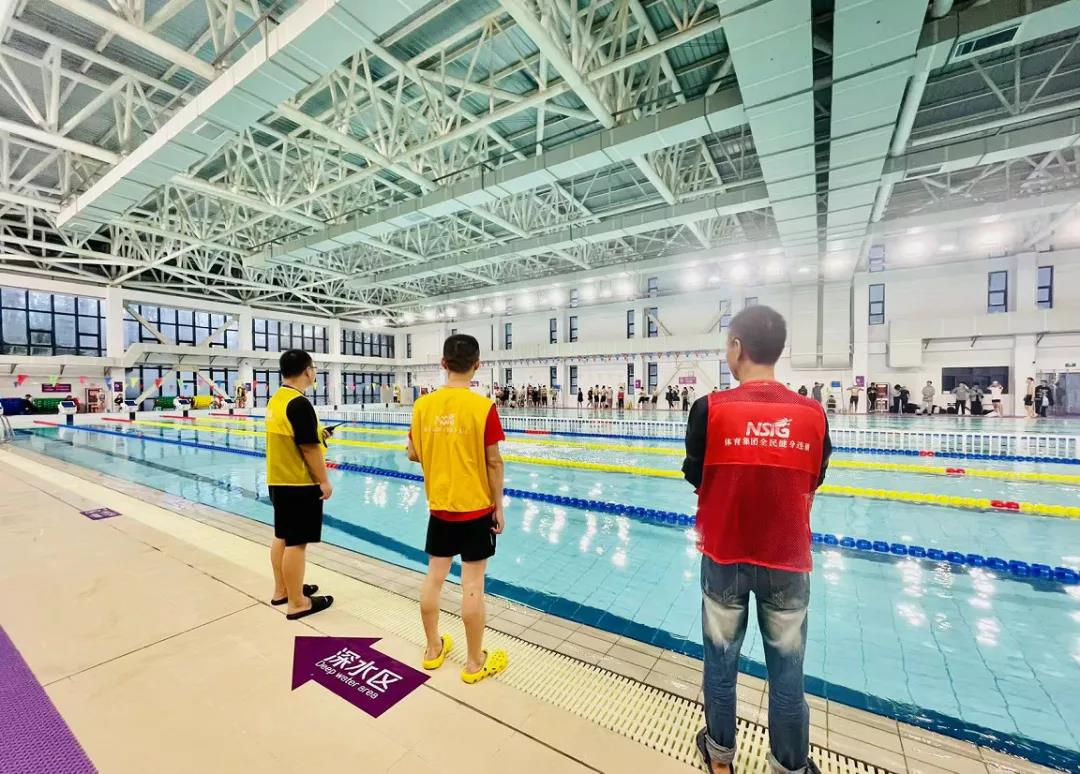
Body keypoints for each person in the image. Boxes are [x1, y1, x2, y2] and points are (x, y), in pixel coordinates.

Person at [682, 305, 830, 774]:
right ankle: (790, 766)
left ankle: (720, 756)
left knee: (720, 663)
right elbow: (814, 477)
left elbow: (695, 475)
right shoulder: (812, 413)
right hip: (787, 560)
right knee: (787, 672)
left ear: (737, 347)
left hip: (723, 554)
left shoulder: (708, 409)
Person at [407, 334, 508, 684]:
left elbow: (413, 452)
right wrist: (498, 507)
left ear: (443, 363)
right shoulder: (483, 408)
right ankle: (474, 662)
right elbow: (493, 462)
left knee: (433, 578)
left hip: (440, 509)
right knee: (473, 585)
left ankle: (433, 648)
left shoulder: (423, 406)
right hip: (477, 510)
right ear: (477, 365)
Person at [266, 350, 334, 621]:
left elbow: (295, 436)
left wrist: (319, 434)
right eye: (313, 368)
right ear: (307, 371)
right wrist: (324, 481)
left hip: (278, 480)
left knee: (282, 536)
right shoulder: (299, 403)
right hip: (299, 483)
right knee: (297, 543)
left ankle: (282, 589)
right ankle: (297, 602)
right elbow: (308, 448)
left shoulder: (277, 400)